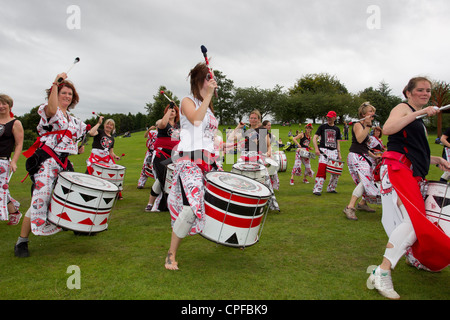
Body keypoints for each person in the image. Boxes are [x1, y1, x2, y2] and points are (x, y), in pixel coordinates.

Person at [368, 77, 450, 299]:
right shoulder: (403, 108)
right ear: (408, 92)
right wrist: (418, 113)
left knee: (411, 221)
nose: (425, 93)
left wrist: (434, 159)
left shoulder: (417, 118)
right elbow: (387, 129)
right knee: (413, 221)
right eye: (420, 90)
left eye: (428, 91)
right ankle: (382, 271)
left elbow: (409, 146)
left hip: (407, 170)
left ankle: (412, 258)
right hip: (397, 170)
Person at [15, 73, 87, 257]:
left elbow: (83, 133)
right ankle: (22, 242)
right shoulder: (48, 110)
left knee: (70, 196)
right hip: (46, 162)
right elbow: (53, 107)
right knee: (41, 199)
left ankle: (74, 226)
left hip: (63, 163)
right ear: (55, 93)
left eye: (70, 94)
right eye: (64, 92)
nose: (67, 96)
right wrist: (56, 82)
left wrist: (80, 146)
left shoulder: (72, 119)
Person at [164, 62, 218, 270]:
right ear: (198, 81)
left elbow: (209, 136)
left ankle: (229, 236)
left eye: (212, 78)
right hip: (189, 160)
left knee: (216, 200)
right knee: (190, 206)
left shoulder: (209, 107)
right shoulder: (187, 101)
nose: (212, 82)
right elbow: (196, 120)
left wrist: (230, 143)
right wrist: (208, 97)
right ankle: (170, 255)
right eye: (207, 78)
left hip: (208, 160)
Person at [229, 110, 280, 211]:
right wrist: (238, 127)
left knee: (265, 179)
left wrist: (269, 153)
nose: (252, 120)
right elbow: (231, 138)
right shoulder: (246, 131)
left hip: (258, 157)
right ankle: (236, 203)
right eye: (251, 118)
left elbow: (268, 146)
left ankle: (272, 205)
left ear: (258, 119)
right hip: (245, 157)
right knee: (236, 176)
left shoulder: (263, 130)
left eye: (255, 118)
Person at [343, 102, 380, 220]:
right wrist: (368, 126)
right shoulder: (358, 125)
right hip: (356, 156)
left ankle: (363, 203)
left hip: (364, 155)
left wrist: (374, 157)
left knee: (369, 179)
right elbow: (359, 140)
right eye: (370, 111)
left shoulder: (365, 126)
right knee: (365, 180)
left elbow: (364, 146)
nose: (373, 114)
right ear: (363, 114)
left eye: (373, 112)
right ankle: (350, 207)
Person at [144, 103, 180, 212]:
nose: (172, 111)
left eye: (174, 110)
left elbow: (176, 141)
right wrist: (169, 109)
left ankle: (161, 204)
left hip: (173, 157)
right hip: (161, 154)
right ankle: (153, 204)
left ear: (177, 113)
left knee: (168, 180)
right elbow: (163, 124)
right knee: (161, 179)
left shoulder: (177, 127)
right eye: (170, 110)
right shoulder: (161, 121)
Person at [86, 116, 123, 199]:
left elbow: (111, 152)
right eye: (107, 124)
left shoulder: (112, 139)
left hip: (105, 159)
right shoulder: (99, 132)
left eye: (111, 125)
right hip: (95, 158)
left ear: (113, 127)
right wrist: (99, 123)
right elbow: (91, 133)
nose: (109, 126)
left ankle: (112, 193)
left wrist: (115, 156)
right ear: (104, 125)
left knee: (111, 175)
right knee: (90, 174)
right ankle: (88, 193)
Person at [0, 94, 23, 225]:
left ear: (9, 106)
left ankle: (12, 213)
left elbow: (19, 144)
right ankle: (14, 212)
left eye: (4, 104)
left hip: (3, 162)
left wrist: (13, 161)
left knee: (1, 189)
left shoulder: (15, 123)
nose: (1, 106)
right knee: (2, 189)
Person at [312, 111, 342, 195]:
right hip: (324, 151)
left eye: (330, 117)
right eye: (328, 117)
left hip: (334, 152)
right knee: (321, 170)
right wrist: (316, 149)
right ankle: (317, 189)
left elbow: (337, 142)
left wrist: (339, 154)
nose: (328, 118)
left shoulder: (337, 129)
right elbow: (314, 138)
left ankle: (331, 188)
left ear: (334, 118)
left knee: (335, 172)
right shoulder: (322, 127)